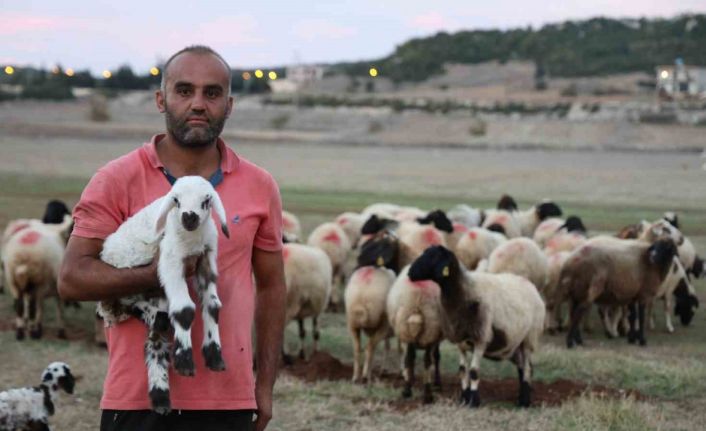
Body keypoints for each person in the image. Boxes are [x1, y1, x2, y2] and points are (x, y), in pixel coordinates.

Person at [58, 45, 286, 431]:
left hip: (226, 403)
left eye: (212, 93)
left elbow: (272, 288)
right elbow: (72, 279)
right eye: (184, 91)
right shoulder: (115, 179)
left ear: (228, 105)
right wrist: (156, 274)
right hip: (137, 401)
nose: (198, 104)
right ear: (161, 99)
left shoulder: (259, 186)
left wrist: (263, 385)